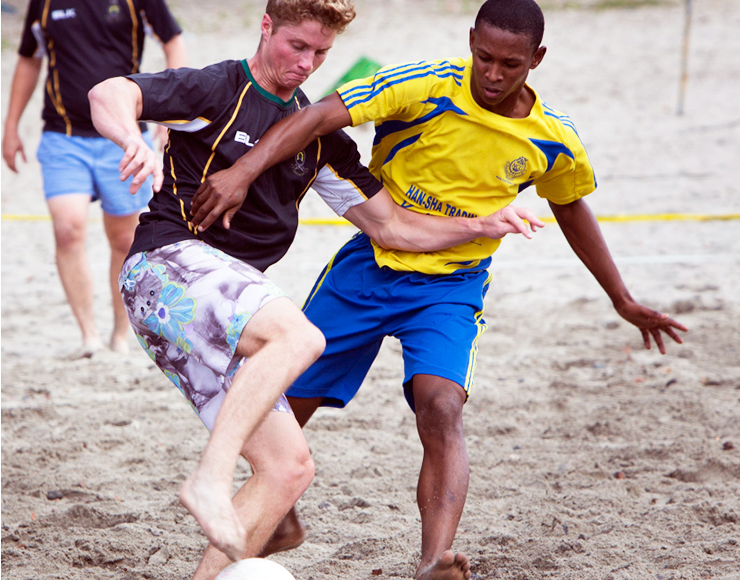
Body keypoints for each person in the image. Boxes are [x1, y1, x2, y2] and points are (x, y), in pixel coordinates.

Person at [188, 1, 689, 579]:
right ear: (470, 41)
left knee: (442, 407)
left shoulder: (552, 138)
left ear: (537, 59)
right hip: (369, 268)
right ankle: (282, 514)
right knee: (282, 407)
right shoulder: (422, 84)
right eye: (484, 57)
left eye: (510, 64)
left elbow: (572, 209)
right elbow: (316, 117)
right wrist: (242, 171)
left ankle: (434, 563)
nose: (494, 74)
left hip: (452, 287)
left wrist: (621, 298)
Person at [88, 0, 543, 576]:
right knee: (300, 337)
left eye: (321, 53)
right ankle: (210, 476)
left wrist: (480, 225)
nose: (307, 63)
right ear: (266, 27)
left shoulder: (319, 141)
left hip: (221, 316)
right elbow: (110, 92)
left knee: (289, 470)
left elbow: (392, 225)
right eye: (296, 46)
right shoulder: (217, 88)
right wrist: (130, 137)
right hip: (164, 267)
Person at [2, 0, 187, 357]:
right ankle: (89, 337)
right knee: (67, 229)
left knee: (123, 238)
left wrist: (170, 113)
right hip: (62, 136)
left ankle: (120, 334)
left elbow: (173, 40)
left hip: (123, 136)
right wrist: (10, 126)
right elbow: (28, 57)